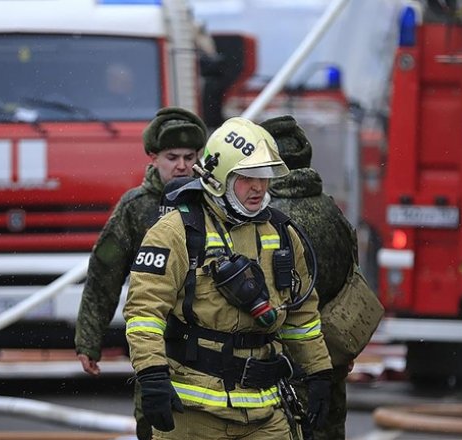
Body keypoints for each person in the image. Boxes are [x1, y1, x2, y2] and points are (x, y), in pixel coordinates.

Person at [123, 117, 333, 439]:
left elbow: (301, 317)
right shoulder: (175, 232)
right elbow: (144, 314)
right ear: (219, 177)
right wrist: (152, 375)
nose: (259, 187)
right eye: (247, 177)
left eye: (263, 177)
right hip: (194, 414)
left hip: (266, 413)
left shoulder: (282, 233)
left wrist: (319, 373)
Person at [75, 106, 207, 440]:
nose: (181, 165)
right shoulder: (135, 208)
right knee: (153, 423)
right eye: (171, 157)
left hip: (209, 346)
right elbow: (104, 275)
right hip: (155, 345)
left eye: (189, 157)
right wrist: (89, 340)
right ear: (153, 157)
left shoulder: (214, 203)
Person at [262, 115, 367, 440]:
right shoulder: (332, 212)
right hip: (332, 358)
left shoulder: (268, 221)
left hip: (284, 367)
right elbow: (351, 283)